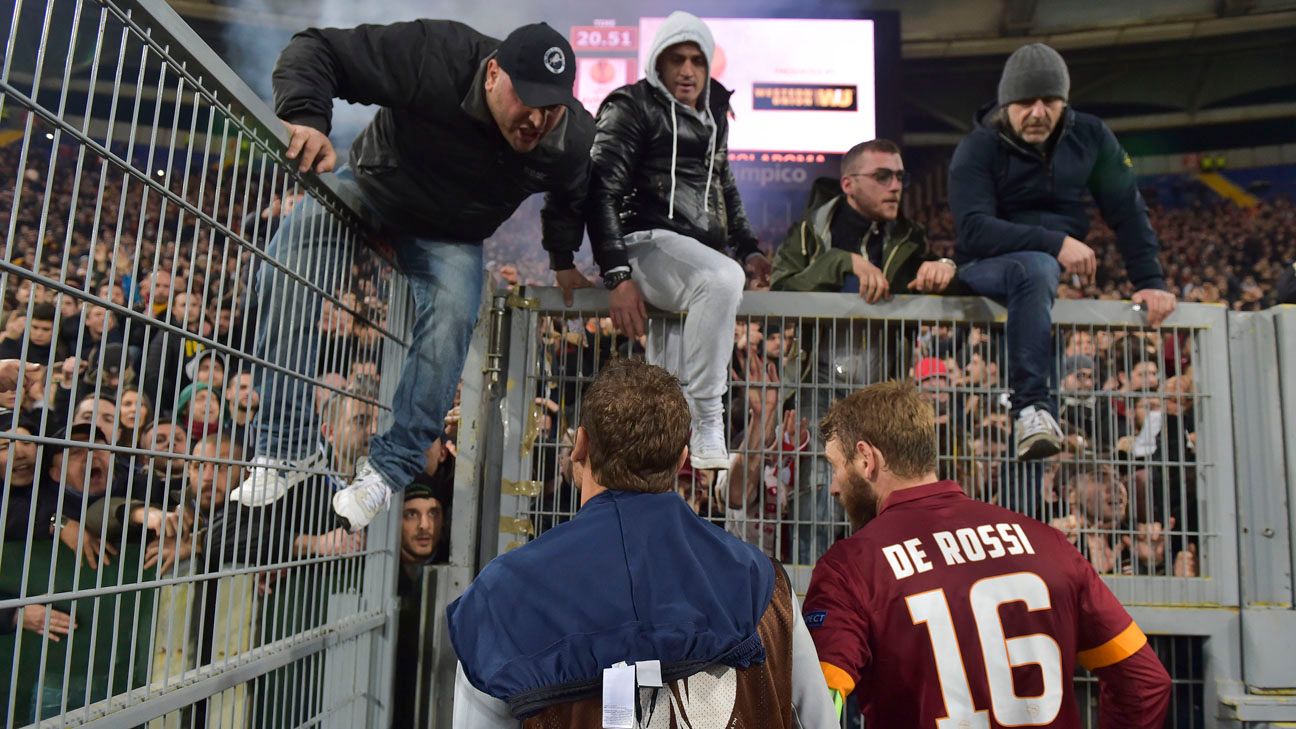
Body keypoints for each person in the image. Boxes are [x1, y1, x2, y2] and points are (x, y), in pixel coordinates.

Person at [232, 20, 597, 533]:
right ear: (493, 73)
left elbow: (573, 192)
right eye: (526, 98)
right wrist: (306, 116)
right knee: (289, 255)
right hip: (374, 187)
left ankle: (387, 470)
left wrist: (562, 257)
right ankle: (285, 446)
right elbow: (318, 48)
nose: (536, 118)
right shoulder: (437, 54)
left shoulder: (570, 136)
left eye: (551, 106)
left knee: (453, 315)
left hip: (450, 232)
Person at [447, 359, 834, 728]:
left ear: (580, 446)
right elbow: (819, 720)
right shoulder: (763, 582)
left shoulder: (501, 594)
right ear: (682, 456)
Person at [800, 380, 1172, 726]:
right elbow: (1146, 681)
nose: (834, 486)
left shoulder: (852, 564)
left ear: (867, 458)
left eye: (836, 466)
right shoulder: (1047, 543)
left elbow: (816, 703)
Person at [948, 43, 1177, 461]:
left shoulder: (1090, 136)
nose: (1037, 112)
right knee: (1035, 267)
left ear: (1064, 102)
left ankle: (1037, 437)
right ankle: (1030, 408)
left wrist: (1150, 283)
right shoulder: (977, 147)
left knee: (1038, 272)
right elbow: (974, 230)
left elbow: (1128, 210)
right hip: (985, 267)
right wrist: (1054, 243)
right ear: (1006, 103)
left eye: (1049, 101)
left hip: (1041, 280)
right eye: (1024, 102)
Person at [587, 11, 772, 470]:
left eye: (696, 60)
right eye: (676, 60)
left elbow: (723, 185)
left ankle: (667, 450)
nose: (687, 70)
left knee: (665, 395)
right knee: (721, 279)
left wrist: (748, 247)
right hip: (643, 240)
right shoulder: (630, 105)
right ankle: (710, 419)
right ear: (657, 63)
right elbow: (600, 189)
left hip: (691, 252)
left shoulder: (713, 112)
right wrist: (617, 274)